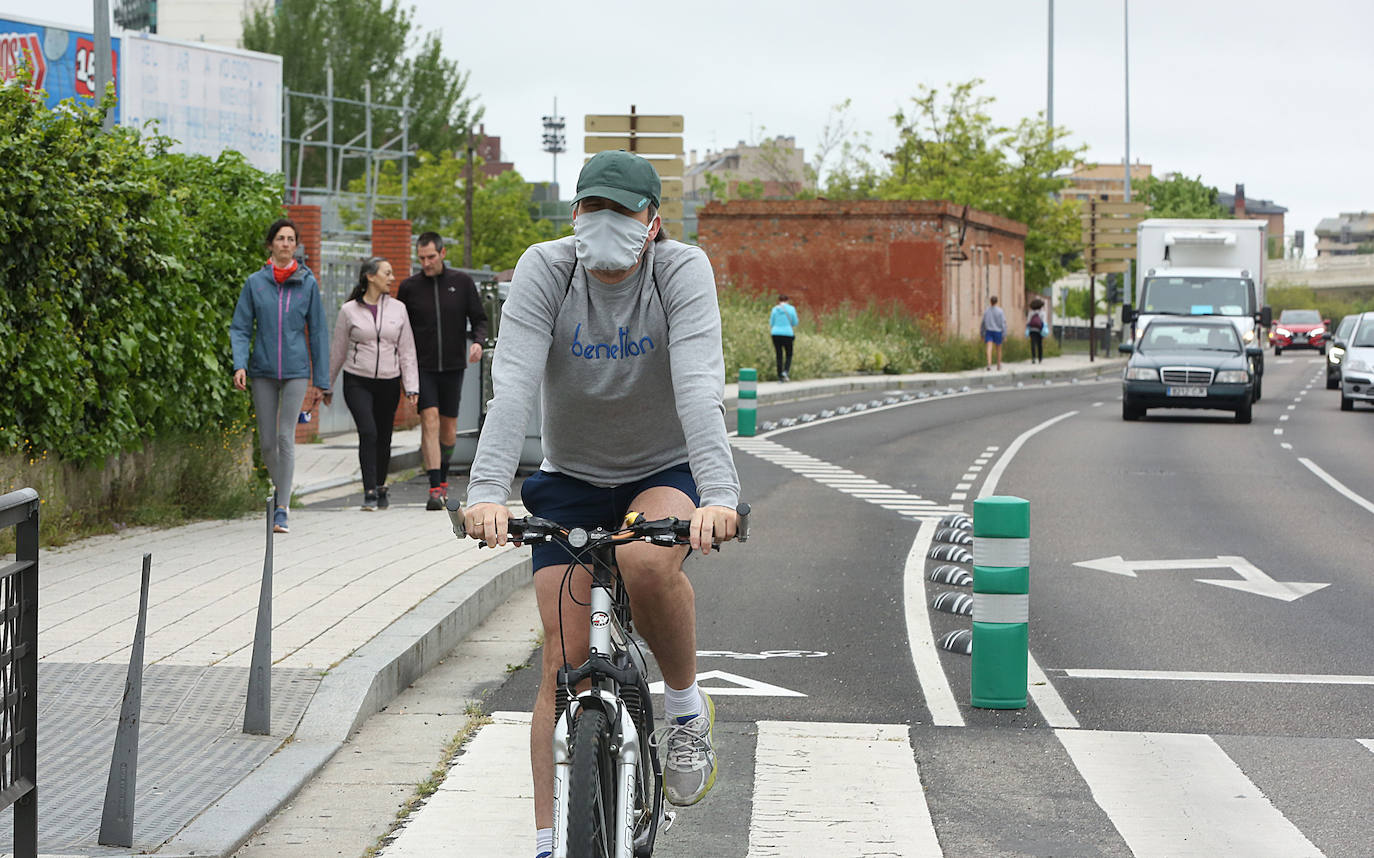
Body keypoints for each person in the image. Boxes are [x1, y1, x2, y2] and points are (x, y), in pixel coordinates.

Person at [461, 150, 742, 858]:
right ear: (575, 213)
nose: (605, 223)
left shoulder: (681, 272)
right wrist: (486, 493)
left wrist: (721, 497)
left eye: (622, 210)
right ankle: (551, 842)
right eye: (593, 208)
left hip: (661, 467)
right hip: (572, 476)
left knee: (648, 567)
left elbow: (699, 386)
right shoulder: (545, 270)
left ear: (652, 221)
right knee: (563, 660)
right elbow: (514, 384)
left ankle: (682, 710)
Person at [231, 218, 331, 534]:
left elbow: (318, 332)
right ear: (271, 244)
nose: (286, 243)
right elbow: (241, 327)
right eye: (280, 238)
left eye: (291, 239)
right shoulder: (255, 283)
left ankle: (282, 508)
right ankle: (281, 491)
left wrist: (322, 380)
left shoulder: (307, 283)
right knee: (267, 443)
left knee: (286, 436)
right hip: (261, 370)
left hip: (296, 371)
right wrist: (240, 363)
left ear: (296, 245)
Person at [396, 232, 489, 511]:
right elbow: (399, 329)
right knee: (430, 419)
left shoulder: (461, 283)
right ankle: (434, 487)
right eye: (421, 258)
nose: (426, 263)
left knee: (449, 429)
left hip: (452, 367)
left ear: (443, 253)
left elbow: (480, 319)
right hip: (422, 366)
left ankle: (444, 476)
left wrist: (477, 343)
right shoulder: (409, 287)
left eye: (431, 257)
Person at [325, 257, 420, 511]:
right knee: (368, 432)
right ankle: (368, 491)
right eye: (387, 273)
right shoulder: (349, 311)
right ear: (370, 276)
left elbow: (407, 350)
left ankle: (380, 485)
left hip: (389, 382)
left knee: (384, 436)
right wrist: (327, 385)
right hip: (358, 380)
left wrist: (412, 386)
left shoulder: (398, 309)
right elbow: (337, 350)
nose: (391, 278)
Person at [769, 294, 799, 381]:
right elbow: (795, 322)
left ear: (779, 300)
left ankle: (779, 376)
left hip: (775, 333)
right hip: (788, 334)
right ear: (787, 300)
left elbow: (771, 323)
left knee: (779, 355)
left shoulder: (774, 309)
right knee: (789, 354)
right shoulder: (791, 309)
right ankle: (785, 371)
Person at [981, 294, 1007, 371]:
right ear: (997, 302)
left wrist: (982, 333)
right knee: (998, 349)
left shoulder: (986, 311)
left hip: (989, 331)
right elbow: (1003, 323)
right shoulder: (1000, 311)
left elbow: (983, 323)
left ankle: (989, 364)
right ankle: (998, 364)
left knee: (989, 348)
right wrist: (1004, 334)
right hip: (998, 331)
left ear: (990, 302)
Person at [1025, 297, 1047, 364]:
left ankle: (1033, 358)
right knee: (1039, 344)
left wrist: (1027, 329)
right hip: (1039, 330)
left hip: (1032, 330)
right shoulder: (1043, 313)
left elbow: (1028, 322)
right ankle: (1040, 358)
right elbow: (1044, 322)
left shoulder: (1031, 312)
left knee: (1033, 344)